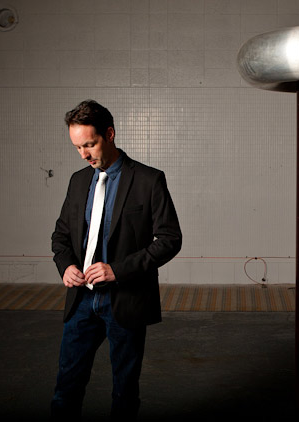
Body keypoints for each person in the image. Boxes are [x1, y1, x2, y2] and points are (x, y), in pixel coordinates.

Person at [50, 100, 182, 420]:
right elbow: (61, 237)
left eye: (89, 144)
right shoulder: (78, 181)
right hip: (82, 300)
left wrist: (117, 271)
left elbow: (169, 240)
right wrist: (67, 267)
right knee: (66, 386)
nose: (84, 154)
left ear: (109, 134)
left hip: (126, 299)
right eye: (77, 147)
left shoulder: (149, 180)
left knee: (124, 390)